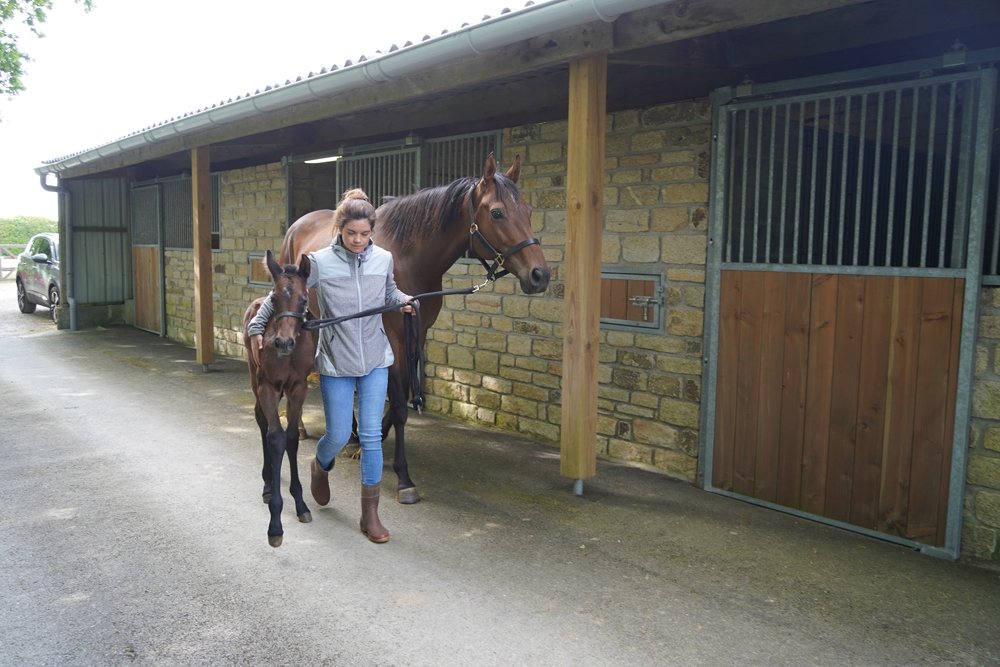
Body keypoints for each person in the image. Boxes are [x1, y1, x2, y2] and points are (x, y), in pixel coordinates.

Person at [248, 189, 412, 543]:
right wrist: (257, 325)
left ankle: (370, 515)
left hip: (375, 358)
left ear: (372, 231)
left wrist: (405, 300)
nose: (358, 240)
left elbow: (389, 293)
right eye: (352, 233)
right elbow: (285, 294)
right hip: (337, 359)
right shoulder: (319, 262)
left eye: (365, 233)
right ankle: (319, 466)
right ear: (340, 229)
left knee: (370, 436)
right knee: (337, 435)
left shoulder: (383, 259)